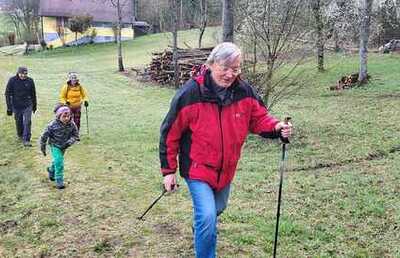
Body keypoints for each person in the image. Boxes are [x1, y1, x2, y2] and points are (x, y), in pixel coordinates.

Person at [159, 42, 292, 258]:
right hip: (197, 168)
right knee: (208, 217)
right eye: (225, 67)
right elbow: (169, 133)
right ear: (211, 64)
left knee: (216, 210)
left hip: (226, 170)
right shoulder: (190, 94)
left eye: (236, 68)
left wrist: (277, 127)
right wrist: (168, 171)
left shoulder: (244, 92)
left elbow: (259, 118)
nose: (230, 74)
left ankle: (202, 228)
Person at [40, 105, 79, 189]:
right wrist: (43, 148)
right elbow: (44, 137)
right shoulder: (52, 125)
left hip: (64, 146)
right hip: (55, 145)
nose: (66, 118)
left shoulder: (72, 124)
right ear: (58, 116)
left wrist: (69, 143)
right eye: (64, 116)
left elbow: (75, 136)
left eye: (68, 116)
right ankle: (59, 180)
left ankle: (51, 170)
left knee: (57, 160)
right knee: (59, 161)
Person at [4, 66, 37, 147]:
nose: (23, 75)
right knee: (18, 122)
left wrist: (34, 105)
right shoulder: (12, 80)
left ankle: (26, 140)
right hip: (16, 105)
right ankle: (20, 134)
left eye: (25, 74)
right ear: (18, 73)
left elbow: (33, 94)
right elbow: (7, 94)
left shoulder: (30, 81)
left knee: (27, 122)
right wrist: (9, 107)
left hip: (27, 104)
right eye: (22, 74)